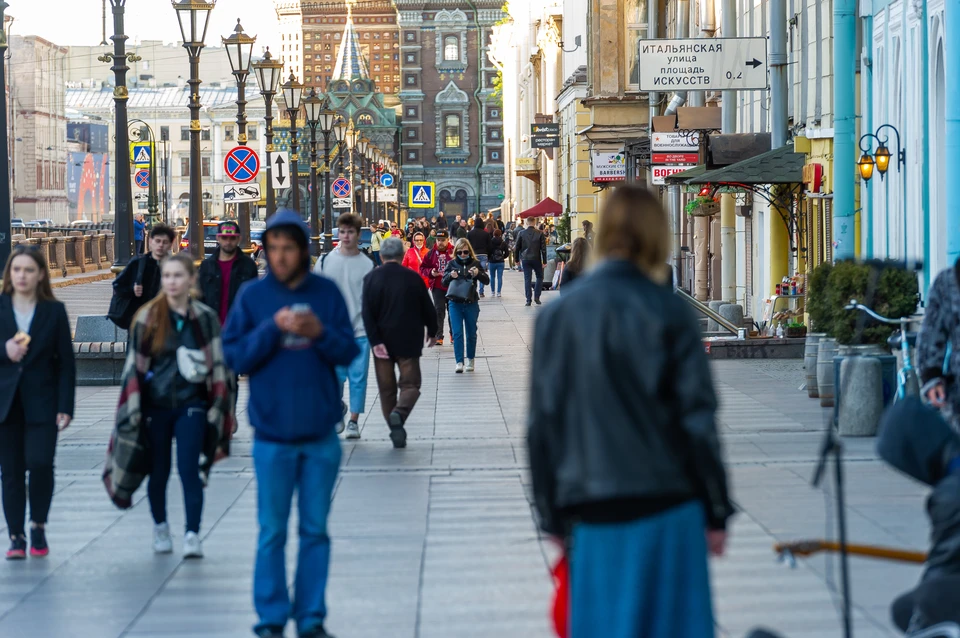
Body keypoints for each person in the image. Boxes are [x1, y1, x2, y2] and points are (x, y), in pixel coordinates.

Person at [527, 186, 733, 638]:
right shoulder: (670, 312)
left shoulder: (557, 319)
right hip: (669, 503)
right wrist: (716, 510)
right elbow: (698, 419)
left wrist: (550, 515)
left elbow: (543, 425)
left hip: (593, 507)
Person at [223, 209, 358, 638]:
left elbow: (348, 354)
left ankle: (312, 617)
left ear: (303, 250)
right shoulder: (252, 296)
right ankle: (271, 618)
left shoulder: (326, 294)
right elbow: (235, 357)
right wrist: (270, 329)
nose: (279, 257)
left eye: (288, 248)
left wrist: (318, 331)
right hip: (272, 437)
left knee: (315, 530)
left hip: (320, 434)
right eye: (273, 248)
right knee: (272, 531)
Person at [122, 251, 234, 559]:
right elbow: (134, 367)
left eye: (178, 276)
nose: (172, 282)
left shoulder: (204, 318)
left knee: (189, 470)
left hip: (192, 403)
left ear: (191, 280)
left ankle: (192, 534)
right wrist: (134, 407)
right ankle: (160, 527)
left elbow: (218, 365)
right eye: (167, 276)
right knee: (158, 471)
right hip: (155, 406)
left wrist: (224, 406)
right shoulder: (147, 317)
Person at [0, 247, 75, 560]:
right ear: (9, 274)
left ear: (41, 274)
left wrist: (65, 405)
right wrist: (5, 350)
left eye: (29, 270)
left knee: (41, 463)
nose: (21, 276)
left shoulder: (53, 311)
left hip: (43, 403)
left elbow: (65, 363)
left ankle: (38, 525)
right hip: (6, 404)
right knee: (12, 472)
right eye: (16, 269)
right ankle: (16, 536)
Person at [361, 238, 438, 449]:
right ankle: (399, 413)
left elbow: (367, 313)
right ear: (401, 255)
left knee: (387, 390)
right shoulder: (412, 278)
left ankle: (395, 426)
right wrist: (432, 332)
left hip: (381, 343)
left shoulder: (371, 278)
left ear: (382, 256)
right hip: (408, 340)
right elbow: (428, 307)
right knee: (411, 384)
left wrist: (374, 340)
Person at [316, 213, 375, 441]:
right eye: (342, 232)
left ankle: (353, 421)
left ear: (358, 235)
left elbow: (371, 301)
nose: (346, 236)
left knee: (358, 379)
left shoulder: (367, 265)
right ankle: (337, 412)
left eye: (350, 232)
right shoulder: (325, 261)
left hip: (360, 332)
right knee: (334, 379)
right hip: (332, 333)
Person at [110, 224, 175, 329]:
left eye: (165, 242)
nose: (161, 245)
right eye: (157, 241)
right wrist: (132, 289)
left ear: (171, 244)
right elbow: (118, 285)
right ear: (150, 241)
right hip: (139, 321)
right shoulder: (138, 263)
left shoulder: (175, 266)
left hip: (166, 321)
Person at [197, 220, 259, 327]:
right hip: (211, 328)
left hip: (240, 328)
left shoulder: (248, 266)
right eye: (224, 238)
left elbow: (254, 299)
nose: (228, 242)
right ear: (218, 238)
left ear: (238, 239)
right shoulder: (206, 266)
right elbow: (199, 298)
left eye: (232, 238)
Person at [443, 239, 489, 374]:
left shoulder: (475, 263)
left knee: (471, 333)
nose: (463, 254)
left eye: (465, 252)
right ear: (456, 252)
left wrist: (478, 274)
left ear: (469, 251)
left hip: (471, 302)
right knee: (456, 333)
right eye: (460, 252)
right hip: (454, 303)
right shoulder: (451, 264)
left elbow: (486, 281)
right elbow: (443, 282)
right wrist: (450, 276)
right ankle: (459, 362)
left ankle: (470, 359)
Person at [420, 230, 455, 346]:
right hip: (437, 286)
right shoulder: (431, 253)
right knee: (439, 310)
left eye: (443, 240)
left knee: (453, 311)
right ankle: (439, 336)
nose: (440, 243)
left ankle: (453, 335)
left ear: (448, 239)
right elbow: (423, 268)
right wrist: (431, 272)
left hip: (452, 286)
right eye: (438, 240)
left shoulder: (454, 251)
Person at [514, 217, 547, 306]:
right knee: (539, 277)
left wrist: (516, 259)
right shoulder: (540, 233)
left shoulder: (521, 233)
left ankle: (528, 299)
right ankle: (537, 297)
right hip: (536, 258)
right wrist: (544, 261)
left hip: (525, 259)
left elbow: (517, 247)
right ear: (534, 223)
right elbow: (543, 248)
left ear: (527, 223)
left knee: (527, 279)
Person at [467, 216, 492, 298]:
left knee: (473, 273)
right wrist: (489, 255)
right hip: (484, 255)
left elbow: (467, 245)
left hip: (474, 255)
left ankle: (473, 290)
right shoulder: (486, 234)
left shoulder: (470, 233)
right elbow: (489, 246)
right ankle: (481, 291)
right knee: (481, 273)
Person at [488, 229, 507, 298]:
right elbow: (507, 253)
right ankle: (499, 292)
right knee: (499, 277)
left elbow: (488, 251)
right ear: (500, 234)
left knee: (492, 277)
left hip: (492, 261)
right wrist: (503, 257)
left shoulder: (490, 242)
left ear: (493, 234)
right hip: (500, 262)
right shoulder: (503, 242)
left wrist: (489, 258)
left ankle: (492, 291)